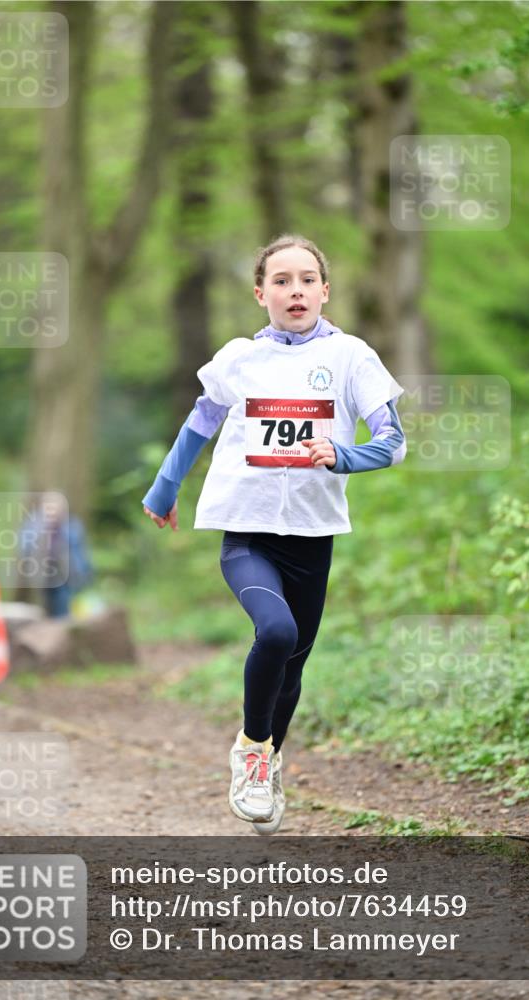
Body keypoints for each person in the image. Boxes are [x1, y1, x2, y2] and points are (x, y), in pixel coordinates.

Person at [142, 234, 406, 835]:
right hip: (248, 532)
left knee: (293, 667)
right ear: (260, 294)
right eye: (281, 281)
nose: (295, 291)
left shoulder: (351, 357)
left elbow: (393, 443)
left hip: (313, 535)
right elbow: (200, 421)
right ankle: (252, 752)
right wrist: (164, 488)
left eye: (307, 280)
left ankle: (267, 763)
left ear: (325, 291)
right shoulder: (240, 358)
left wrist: (341, 455)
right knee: (277, 631)